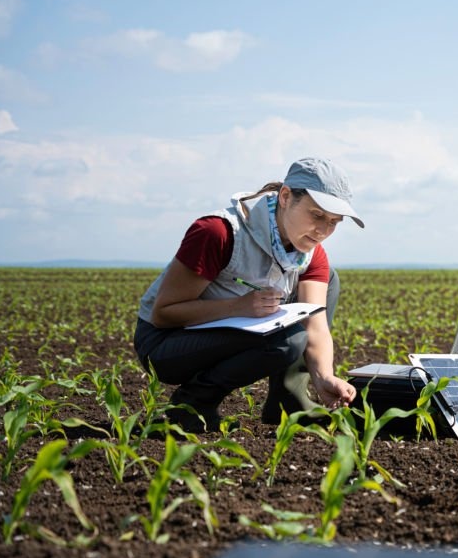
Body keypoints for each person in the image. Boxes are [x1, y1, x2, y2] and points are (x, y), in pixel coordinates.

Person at [134, 157, 361, 432]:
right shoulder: (218, 232)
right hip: (166, 344)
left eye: (334, 222)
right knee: (287, 341)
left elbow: (315, 326)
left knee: (328, 281)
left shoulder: (311, 253)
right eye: (316, 215)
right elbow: (163, 313)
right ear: (286, 197)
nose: (323, 231)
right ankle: (192, 405)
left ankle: (289, 401)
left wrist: (324, 376)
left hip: (228, 331)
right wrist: (237, 307)